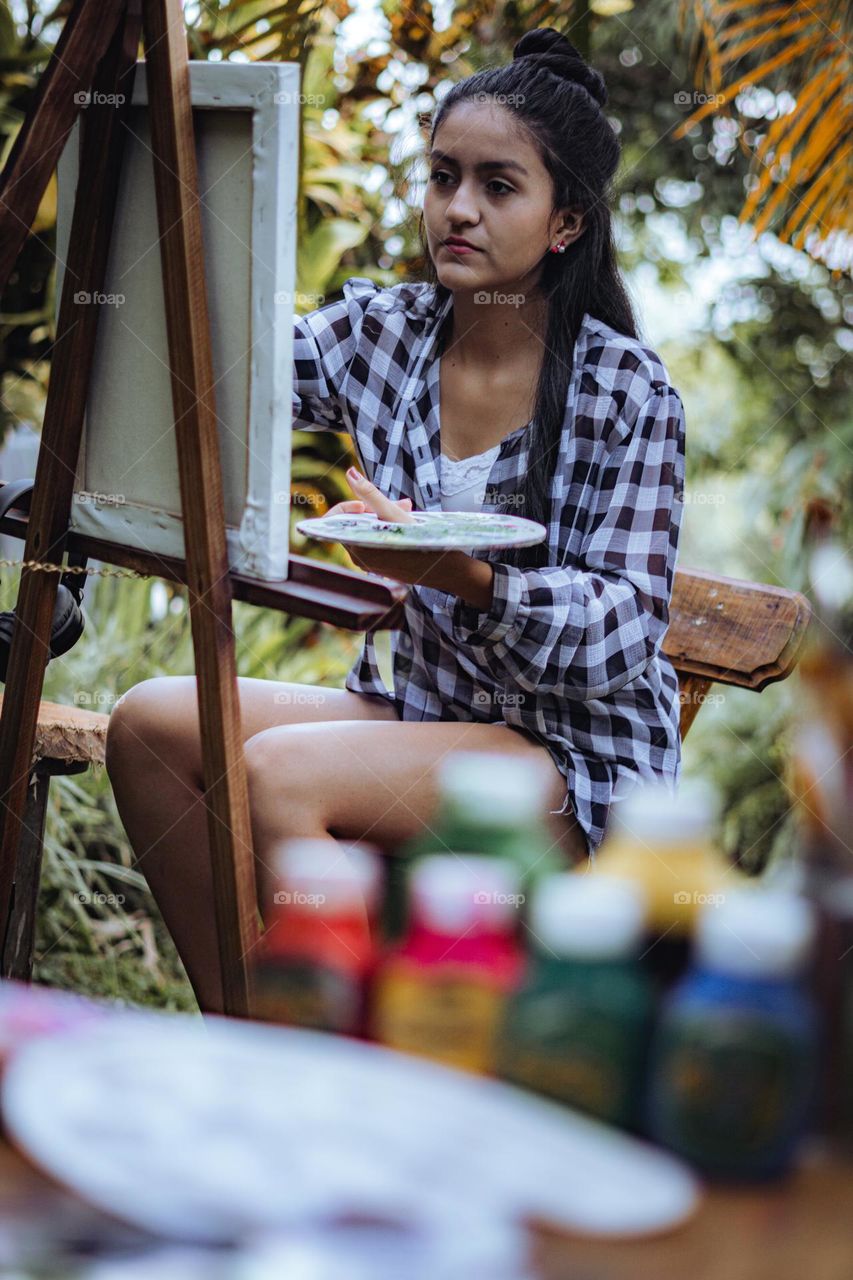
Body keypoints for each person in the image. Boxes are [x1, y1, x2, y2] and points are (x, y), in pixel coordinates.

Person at [106, 27, 685, 1014]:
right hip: (426, 713)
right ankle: (247, 1021)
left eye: (497, 185)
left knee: (281, 774)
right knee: (151, 724)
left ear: (565, 222)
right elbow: (220, 370)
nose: (456, 209)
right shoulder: (385, 333)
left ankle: (330, 1051)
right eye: (442, 176)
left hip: (574, 759)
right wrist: (148, 211)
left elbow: (628, 632)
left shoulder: (628, 392)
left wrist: (473, 580)